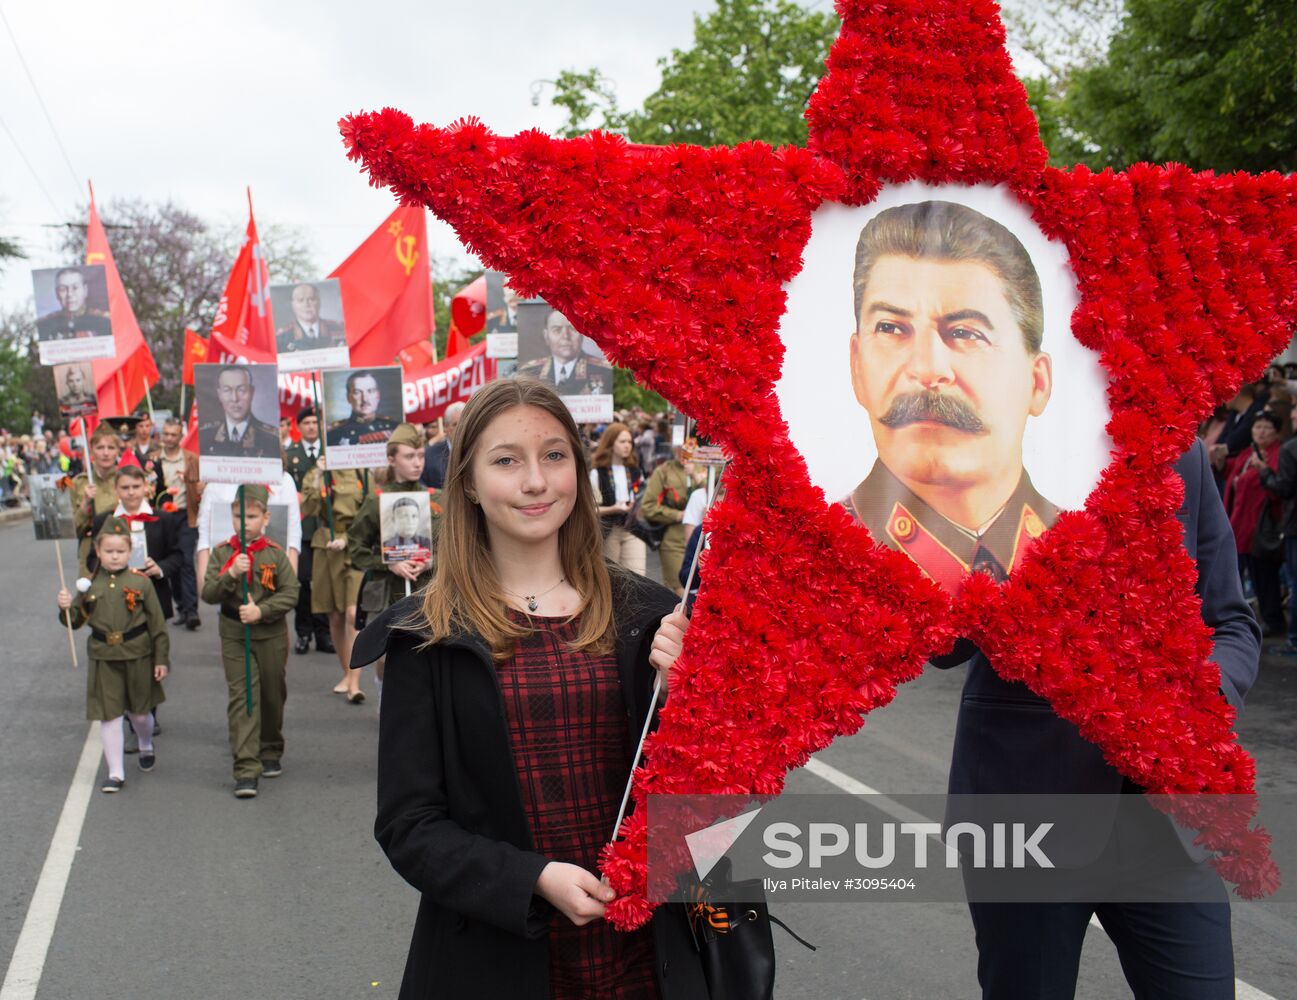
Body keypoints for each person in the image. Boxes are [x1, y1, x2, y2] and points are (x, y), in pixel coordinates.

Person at [350, 377, 702, 999]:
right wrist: (531, 879)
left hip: (649, 953)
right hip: (499, 955)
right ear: (469, 484)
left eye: (555, 456)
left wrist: (684, 703)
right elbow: (410, 825)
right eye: (508, 460)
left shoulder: (652, 614)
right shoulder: (426, 635)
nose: (536, 481)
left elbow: (719, 811)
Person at [937, 438, 1259, 999]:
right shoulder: (982, 451)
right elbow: (946, 644)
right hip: (1027, 813)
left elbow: (1231, 623)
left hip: (1169, 820)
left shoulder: (1180, 454)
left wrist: (1201, 700)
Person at [844, 201, 1059, 592]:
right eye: (891, 328)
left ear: (1037, 382)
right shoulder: (802, 559)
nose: (926, 369)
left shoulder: (1099, 557)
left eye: (965, 333)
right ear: (857, 367)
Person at [201, 484, 300, 799]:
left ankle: (270, 747)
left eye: (252, 517)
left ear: (266, 517)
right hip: (234, 633)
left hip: (269, 633)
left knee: (272, 694)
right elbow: (208, 593)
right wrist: (231, 574)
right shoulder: (222, 553)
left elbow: (291, 593)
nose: (244, 523)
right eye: (237, 516)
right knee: (243, 697)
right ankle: (245, 767)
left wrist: (263, 610)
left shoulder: (274, 553)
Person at [57, 517, 169, 793]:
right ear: (98, 551)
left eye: (120, 551)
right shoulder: (88, 585)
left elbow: (157, 624)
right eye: (109, 551)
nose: (115, 556)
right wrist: (64, 607)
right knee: (110, 716)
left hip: (138, 654)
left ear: (130, 551)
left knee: (140, 714)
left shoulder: (141, 583)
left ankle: (145, 744)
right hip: (104, 656)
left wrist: (161, 659)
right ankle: (115, 772)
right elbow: (74, 620)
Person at [347, 423, 443, 684]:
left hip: (428, 589)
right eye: (409, 456)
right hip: (388, 590)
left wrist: (432, 562)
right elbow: (356, 547)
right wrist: (387, 564)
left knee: (428, 654)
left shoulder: (438, 498)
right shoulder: (376, 499)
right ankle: (384, 701)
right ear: (392, 459)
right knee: (386, 656)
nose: (417, 463)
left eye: (421, 456)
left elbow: (454, 548)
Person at [301, 457, 369, 701]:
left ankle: (355, 682)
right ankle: (346, 672)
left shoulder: (362, 471)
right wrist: (318, 474)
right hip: (327, 545)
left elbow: (369, 511)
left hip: (355, 544)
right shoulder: (317, 471)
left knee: (353, 613)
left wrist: (348, 540)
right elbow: (307, 509)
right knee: (335, 615)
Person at [1223, 413, 1285, 635]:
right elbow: (1230, 473)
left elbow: (1279, 488)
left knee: (1265, 578)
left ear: (1276, 432)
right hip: (1240, 526)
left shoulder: (1277, 454)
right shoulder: (1248, 453)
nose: (1260, 431)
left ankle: (1273, 620)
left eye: (1266, 428)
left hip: (1260, 529)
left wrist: (1263, 471)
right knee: (1247, 577)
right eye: (1257, 426)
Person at [283, 407, 332, 655]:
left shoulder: (330, 452)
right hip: (301, 527)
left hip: (325, 526)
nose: (312, 427)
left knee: (322, 581)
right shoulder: (291, 454)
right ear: (299, 426)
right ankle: (303, 632)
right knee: (302, 580)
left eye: (315, 422)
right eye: (307, 423)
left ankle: (324, 634)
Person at [156, 418, 203, 629]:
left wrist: (196, 484)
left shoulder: (192, 459)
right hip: (163, 518)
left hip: (185, 516)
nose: (169, 438)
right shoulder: (154, 459)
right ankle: (182, 606)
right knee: (171, 564)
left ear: (181, 436)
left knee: (186, 561)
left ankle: (192, 610)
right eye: (166, 434)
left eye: (173, 434)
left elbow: (201, 485)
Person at [589, 422, 647, 576]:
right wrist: (614, 508)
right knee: (612, 578)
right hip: (609, 530)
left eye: (629, 442)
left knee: (638, 576)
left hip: (634, 529)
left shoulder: (636, 471)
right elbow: (590, 509)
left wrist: (639, 508)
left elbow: (643, 500)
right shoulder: (597, 473)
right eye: (622, 442)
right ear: (610, 443)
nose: (627, 446)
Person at [642, 450, 700, 597]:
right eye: (679, 445)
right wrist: (677, 515)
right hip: (673, 540)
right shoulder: (663, 471)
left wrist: (696, 477)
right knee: (683, 593)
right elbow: (648, 506)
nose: (684, 449)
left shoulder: (706, 467)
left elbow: (718, 492)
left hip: (703, 540)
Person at [516, 310, 614, 394]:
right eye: (557, 330)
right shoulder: (529, 372)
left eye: (572, 329)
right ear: (546, 336)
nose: (565, 336)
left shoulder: (604, 370)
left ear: (582, 333)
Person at [70, 424, 123, 571]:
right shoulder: (80, 483)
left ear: (118, 451)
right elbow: (73, 528)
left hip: (121, 551)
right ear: (91, 450)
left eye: (111, 448)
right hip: (91, 553)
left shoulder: (126, 480)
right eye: (100, 448)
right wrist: (85, 503)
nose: (106, 453)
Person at [198, 365, 279, 459]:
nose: (234, 398)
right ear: (219, 395)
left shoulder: (271, 439)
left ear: (252, 393)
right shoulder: (205, 436)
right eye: (227, 390)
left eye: (241, 390)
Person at [326, 370, 399, 446]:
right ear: (348, 397)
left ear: (378, 395)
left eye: (370, 391)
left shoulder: (395, 428)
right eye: (357, 392)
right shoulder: (334, 434)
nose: (365, 399)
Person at [37, 267, 112, 341]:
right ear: (56, 293)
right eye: (63, 289)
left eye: (75, 288)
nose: (69, 294)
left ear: (85, 290)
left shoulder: (104, 322)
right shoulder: (44, 325)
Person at [275, 282, 345, 353]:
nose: (306, 304)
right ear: (293, 305)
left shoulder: (340, 328)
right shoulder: (282, 337)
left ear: (319, 302)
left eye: (311, 299)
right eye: (300, 300)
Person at [420, 401, 464, 489]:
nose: (461, 429)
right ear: (446, 427)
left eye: (465, 423)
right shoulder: (428, 455)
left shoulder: (479, 452)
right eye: (455, 425)